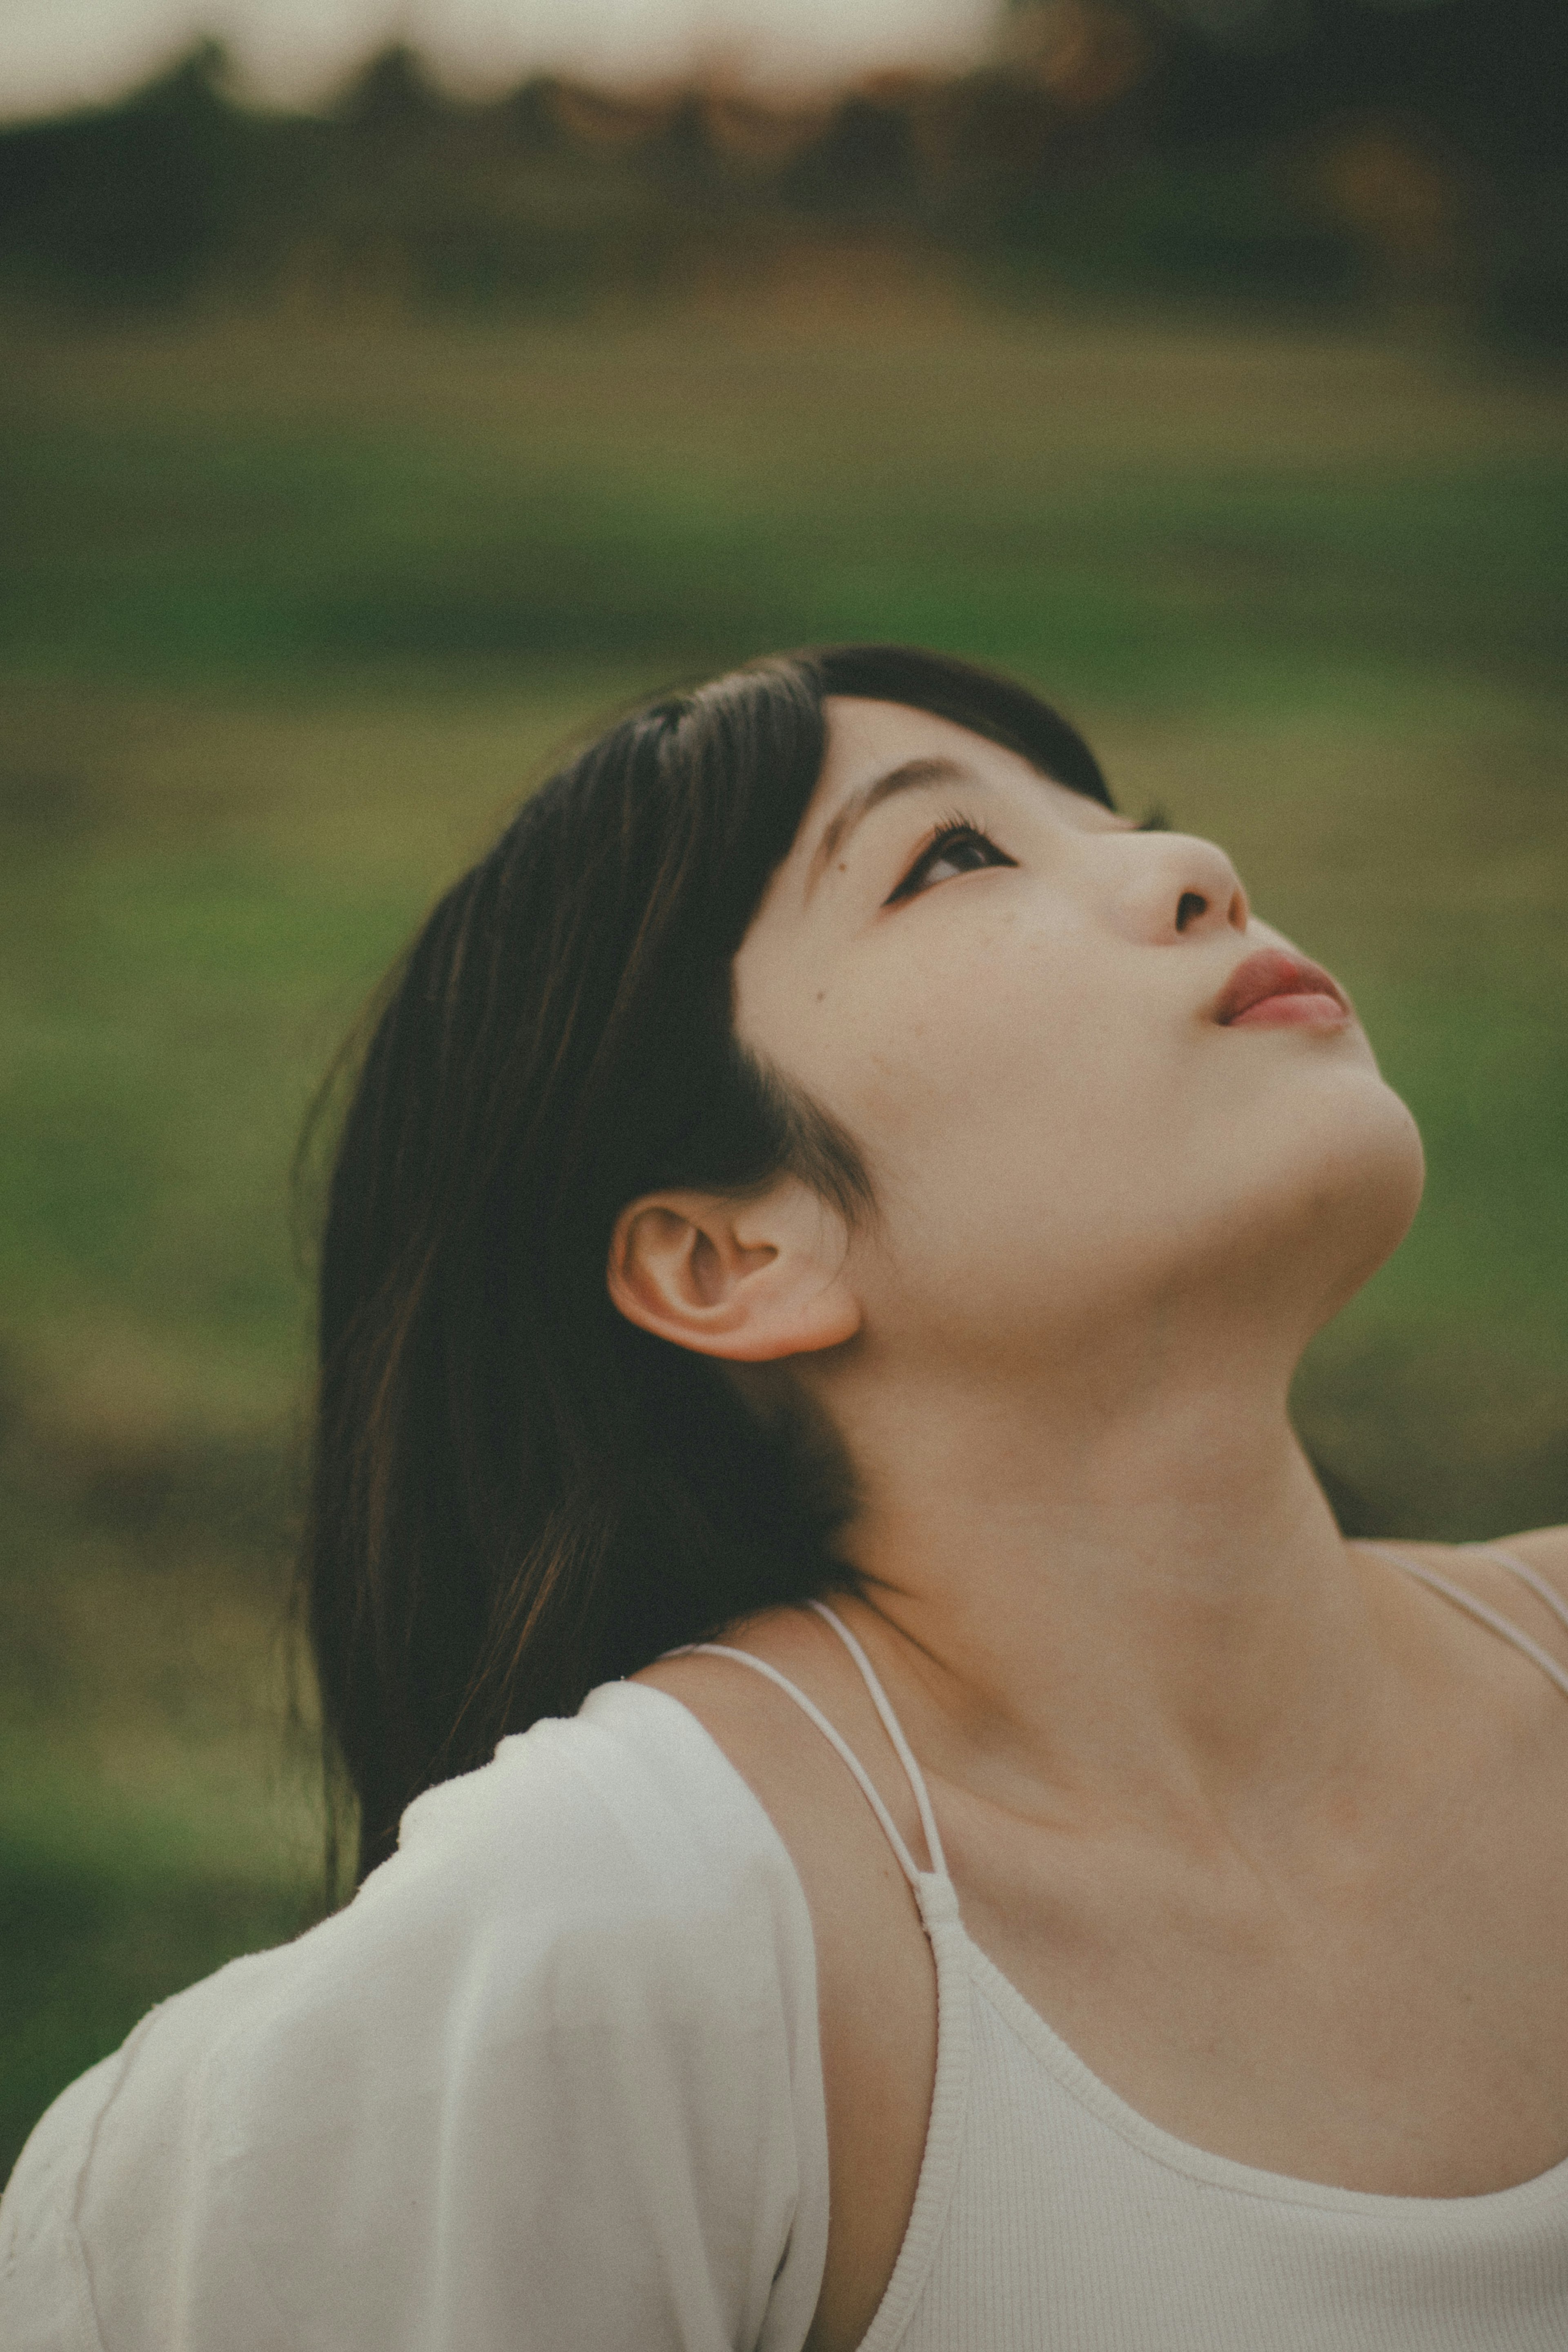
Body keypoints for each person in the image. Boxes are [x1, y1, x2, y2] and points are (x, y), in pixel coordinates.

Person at [3, 644, 1566, 2351]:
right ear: (728, 1255)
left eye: (1131, 819)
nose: (1193, 871)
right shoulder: (628, 1946)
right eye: (954, 857)